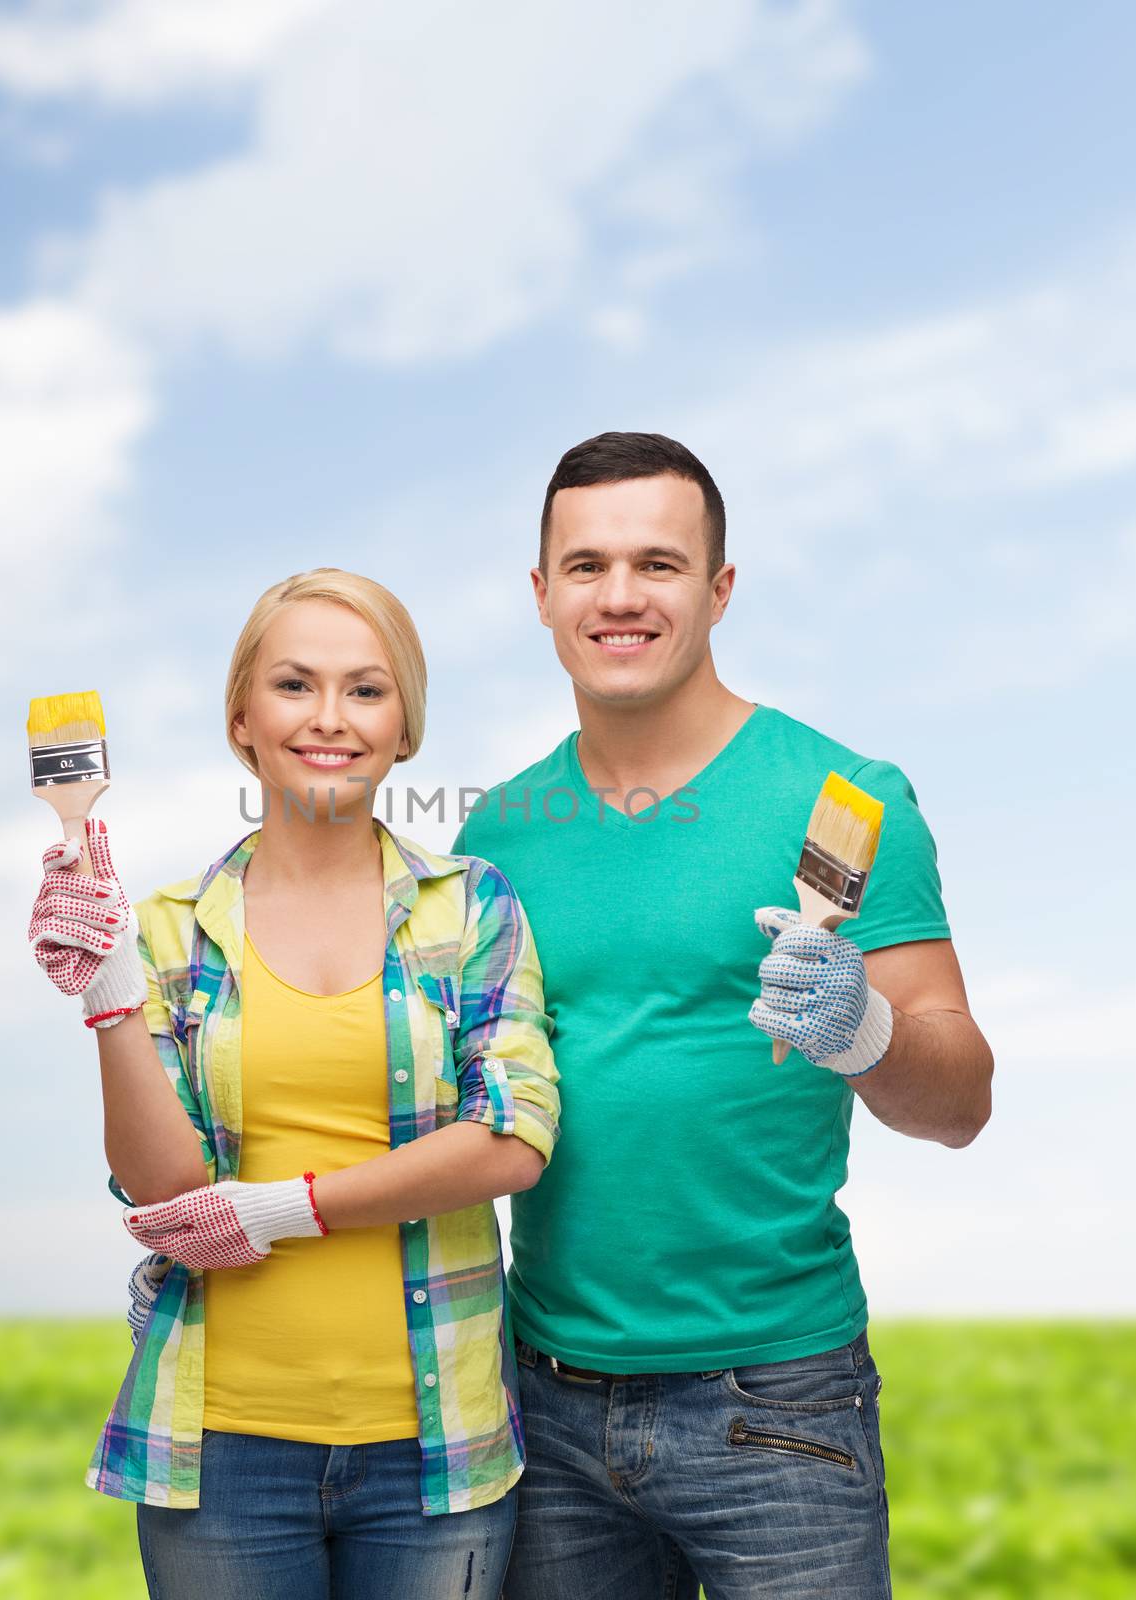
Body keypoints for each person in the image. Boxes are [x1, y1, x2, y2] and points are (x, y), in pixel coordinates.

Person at [452, 432, 994, 1600]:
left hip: (777, 1402)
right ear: (540, 595)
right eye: (585, 565)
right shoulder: (493, 836)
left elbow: (961, 1101)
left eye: (657, 562)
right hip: (540, 1407)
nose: (620, 595)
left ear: (719, 587)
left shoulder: (842, 799)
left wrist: (863, 1032)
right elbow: (444, 1099)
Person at [28, 569, 560, 1600]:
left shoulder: (470, 907)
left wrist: (288, 1206)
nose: (329, 718)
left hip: (433, 1451)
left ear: (404, 724)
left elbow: (513, 1136)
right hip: (219, 1449)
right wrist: (106, 995)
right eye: (293, 685)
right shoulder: (168, 929)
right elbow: (164, 1186)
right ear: (243, 719)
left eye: (365, 689)